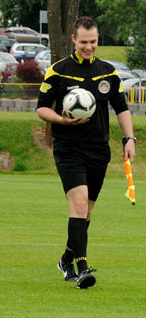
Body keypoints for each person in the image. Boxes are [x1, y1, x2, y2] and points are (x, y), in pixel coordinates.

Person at [36, 16, 135, 289]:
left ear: (98, 38)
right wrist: (62, 120)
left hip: (98, 150)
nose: (89, 47)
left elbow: (121, 108)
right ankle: (82, 268)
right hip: (68, 148)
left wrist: (129, 138)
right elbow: (42, 108)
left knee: (87, 212)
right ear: (73, 40)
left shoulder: (108, 72)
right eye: (84, 42)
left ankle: (66, 259)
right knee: (78, 205)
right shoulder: (58, 71)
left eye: (93, 42)